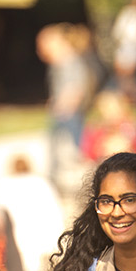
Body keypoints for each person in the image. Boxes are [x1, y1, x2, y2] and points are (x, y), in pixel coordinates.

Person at [37, 23, 93, 190]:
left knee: (72, 146)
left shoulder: (69, 60)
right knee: (60, 146)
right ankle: (57, 177)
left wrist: (64, 105)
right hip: (62, 110)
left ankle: (72, 180)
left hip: (67, 112)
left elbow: (76, 87)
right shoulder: (61, 61)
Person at [82, 90, 136, 162]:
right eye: (107, 109)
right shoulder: (95, 128)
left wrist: (127, 149)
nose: (111, 113)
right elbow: (87, 154)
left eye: (114, 108)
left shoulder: (133, 128)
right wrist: (102, 149)